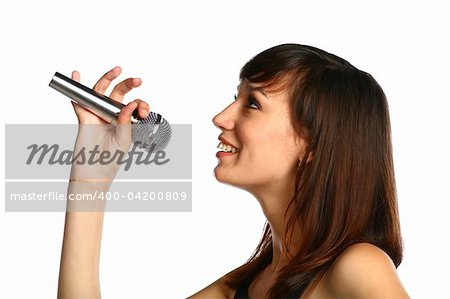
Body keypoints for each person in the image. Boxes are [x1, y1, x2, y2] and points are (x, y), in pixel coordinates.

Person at [58, 44, 410, 298]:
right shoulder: (240, 288)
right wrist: (90, 179)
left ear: (313, 146)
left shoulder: (358, 266)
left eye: (253, 104)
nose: (221, 118)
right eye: (236, 97)